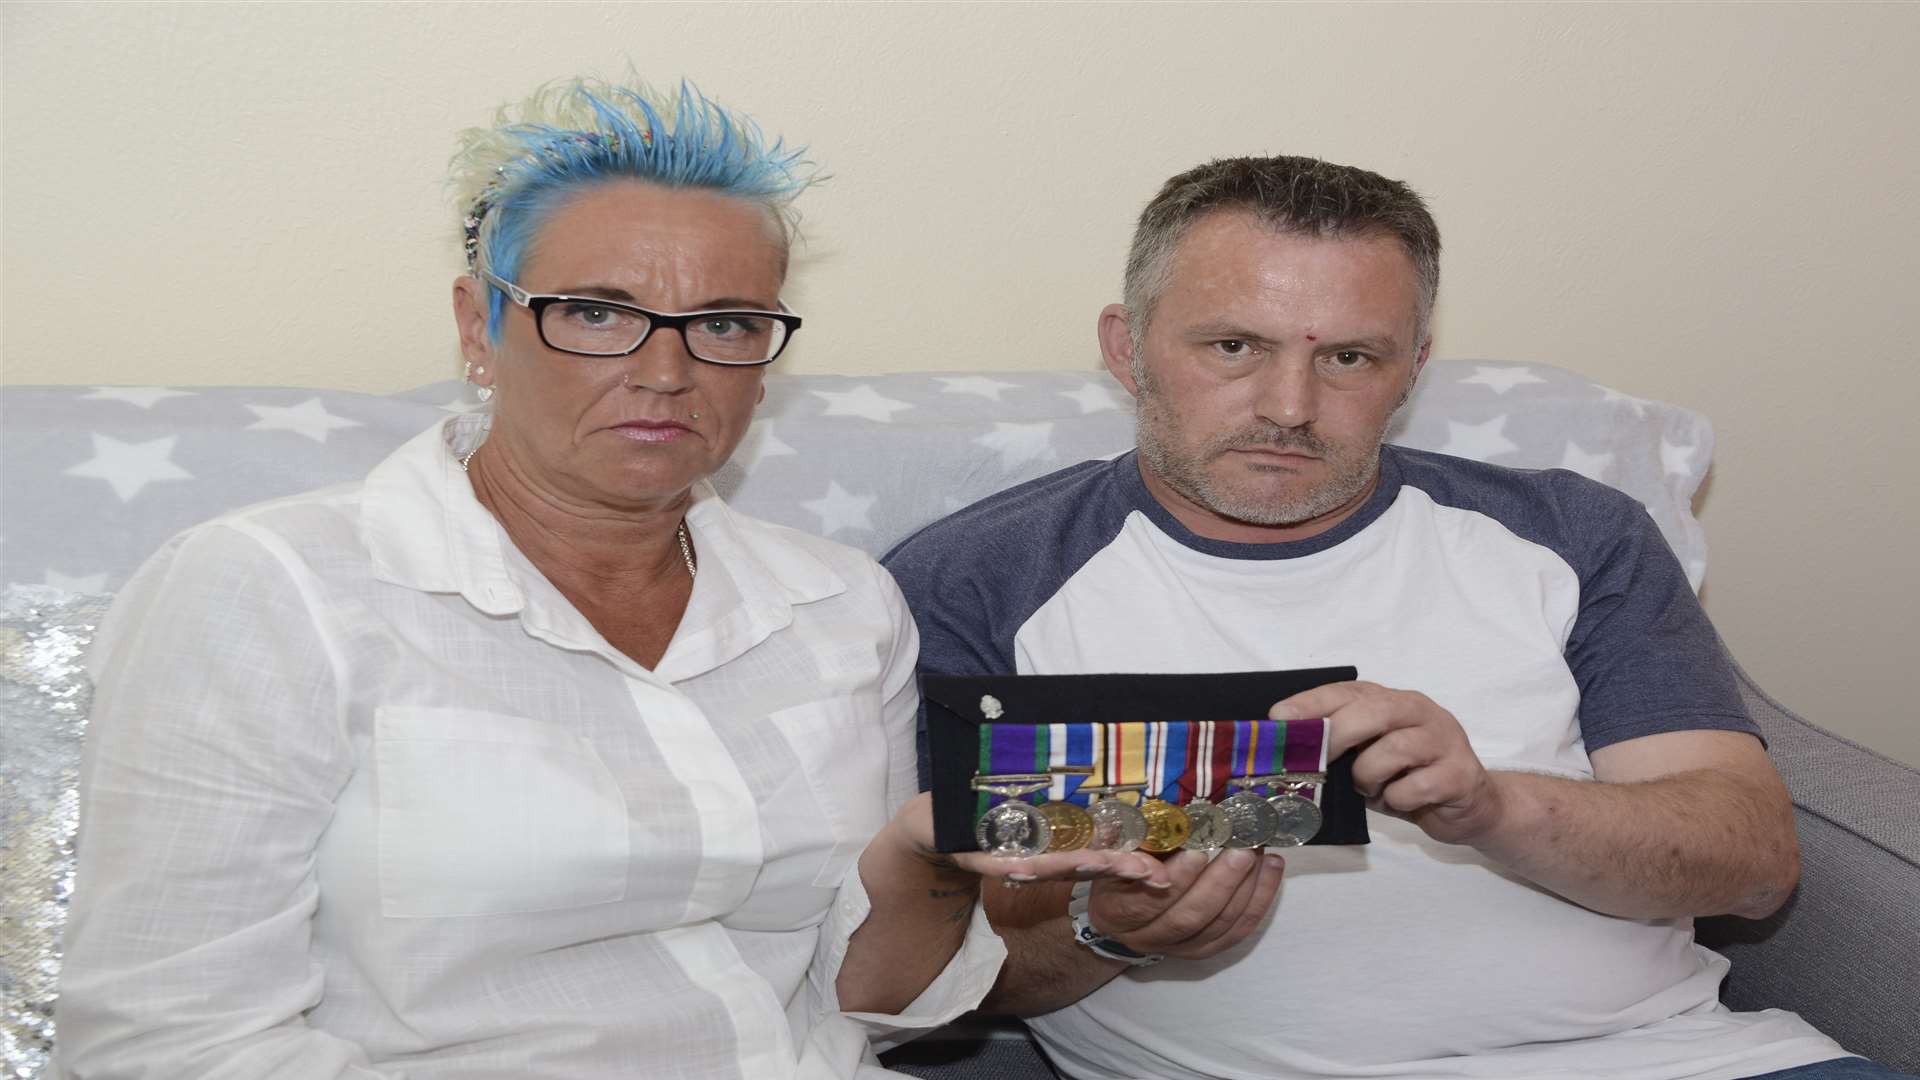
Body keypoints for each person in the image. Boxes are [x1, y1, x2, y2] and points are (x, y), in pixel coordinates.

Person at [52, 79, 1160, 1080]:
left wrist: (924, 859)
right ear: (476, 325)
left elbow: (867, 1007)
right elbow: (169, 1043)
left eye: (727, 323)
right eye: (596, 312)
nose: (667, 371)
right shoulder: (273, 589)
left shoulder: (839, 604)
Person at [883, 155, 1904, 1079]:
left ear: (1414, 366)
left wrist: (1493, 810)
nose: (1288, 405)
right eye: (1234, 346)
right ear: (1127, 346)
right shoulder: (977, 578)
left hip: (1676, 1061)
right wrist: (1113, 931)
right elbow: (930, 975)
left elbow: (1754, 867)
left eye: (1351, 359)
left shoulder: (1572, 536)